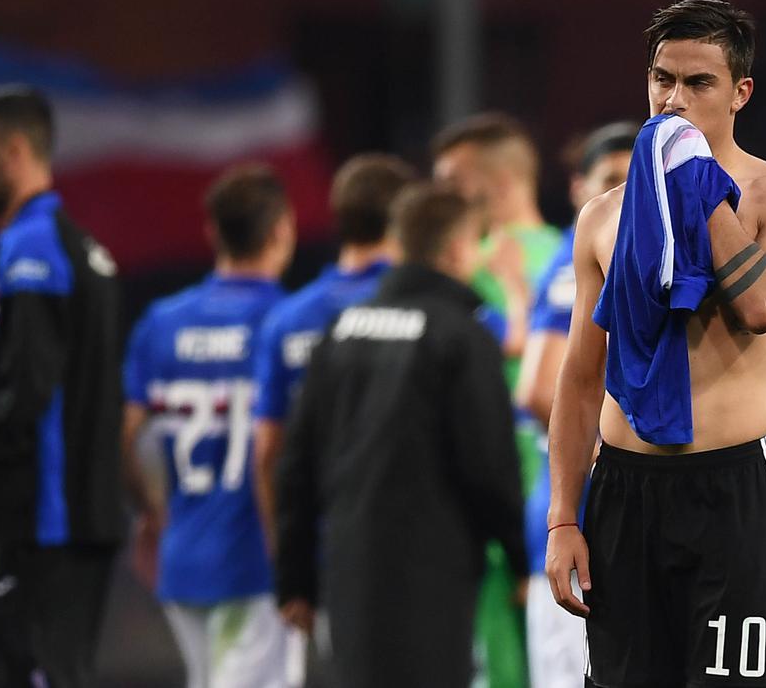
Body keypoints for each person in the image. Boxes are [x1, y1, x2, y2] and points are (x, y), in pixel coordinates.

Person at [546, 0, 766, 687]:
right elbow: (579, 379)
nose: (674, 99)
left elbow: (763, 306)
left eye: (699, 83)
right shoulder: (603, 217)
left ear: (739, 93)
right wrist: (562, 520)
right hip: (622, 491)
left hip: (730, 492)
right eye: (662, 79)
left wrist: (698, 188)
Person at [275, 183, 527, 688]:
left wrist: (294, 579)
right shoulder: (462, 335)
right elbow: (489, 463)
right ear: (456, 249)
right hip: (434, 568)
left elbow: (296, 464)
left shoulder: (341, 331)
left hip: (348, 563)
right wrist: (519, 559)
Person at [0, 84, 126, 688]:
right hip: (77, 519)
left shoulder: (32, 252)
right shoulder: (78, 248)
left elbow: (25, 399)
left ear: (14, 153)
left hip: (46, 526)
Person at [122, 165, 297, 688]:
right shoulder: (287, 322)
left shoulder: (162, 322)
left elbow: (126, 435)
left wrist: (150, 511)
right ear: (281, 230)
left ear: (212, 232)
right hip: (255, 561)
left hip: (182, 557)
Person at [433, 111, 559, 688]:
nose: (442, 196)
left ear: (501, 182)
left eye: (454, 182)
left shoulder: (463, 271)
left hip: (504, 506)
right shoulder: (576, 253)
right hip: (553, 505)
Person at [513, 122, 635, 688]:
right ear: (577, 188)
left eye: (635, 180)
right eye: (610, 180)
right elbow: (539, 389)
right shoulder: (575, 262)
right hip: (588, 522)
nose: (624, 194)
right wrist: (622, 459)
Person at [251, 153, 414, 550]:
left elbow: (268, 451)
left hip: (321, 541)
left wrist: (283, 549)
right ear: (404, 218)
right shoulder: (422, 303)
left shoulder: (286, 319)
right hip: (407, 540)